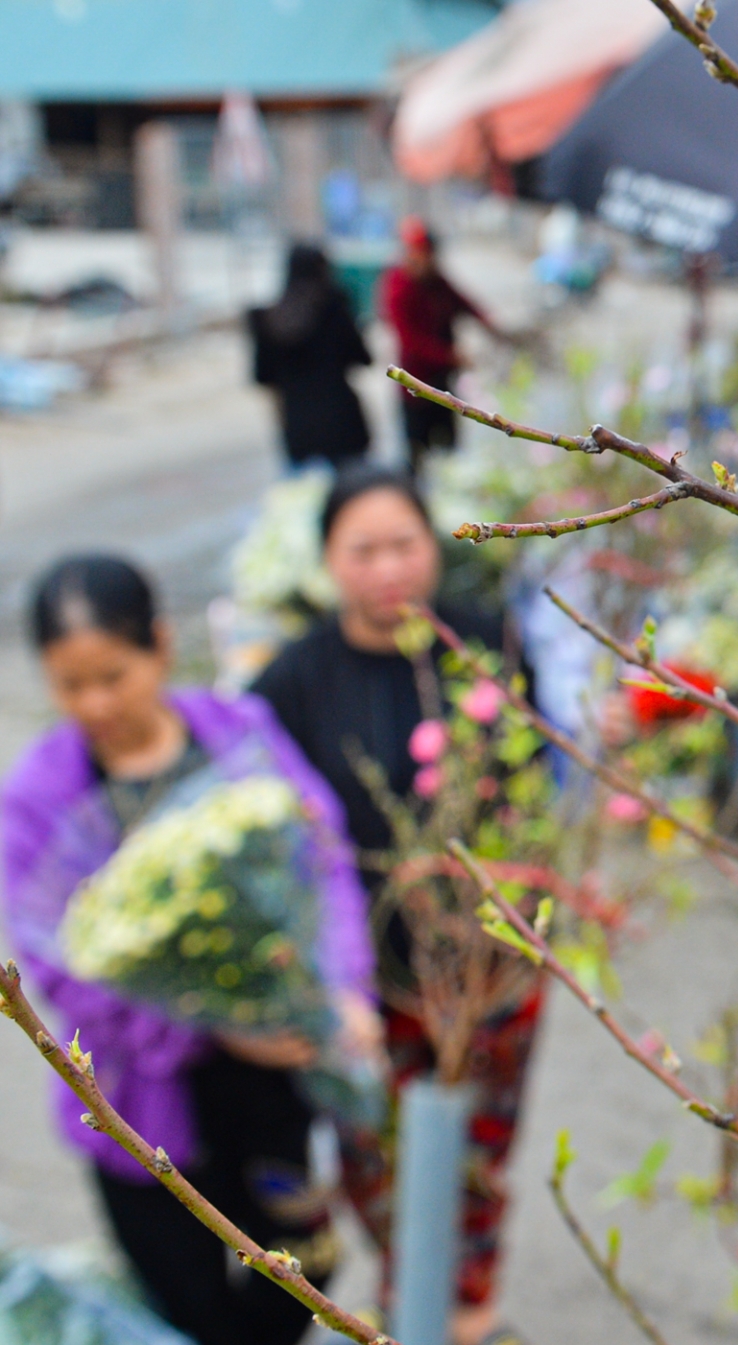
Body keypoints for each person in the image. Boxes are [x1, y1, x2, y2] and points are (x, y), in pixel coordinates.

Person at [1, 556, 378, 1345]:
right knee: (191, 1304)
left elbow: (323, 857)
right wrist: (211, 1024)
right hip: (141, 1104)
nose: (96, 702)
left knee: (305, 1271)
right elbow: (61, 971)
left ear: (162, 646)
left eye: (114, 674)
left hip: (276, 1077)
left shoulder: (234, 733)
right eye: (71, 685)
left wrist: (343, 986)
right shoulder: (37, 795)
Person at [252, 465, 535, 1345]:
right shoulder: (290, 684)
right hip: (363, 989)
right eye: (363, 549)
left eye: (404, 544)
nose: (389, 569)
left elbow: (531, 791)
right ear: (327, 561)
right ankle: (416, 1305)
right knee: (379, 1163)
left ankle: (466, 1317)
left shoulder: (485, 644)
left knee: (479, 1161)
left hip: (487, 972)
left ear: (433, 545)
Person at [381, 216, 499, 477]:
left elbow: (461, 301)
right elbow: (409, 340)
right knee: (416, 454)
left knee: (449, 450)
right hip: (416, 385)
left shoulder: (435, 281)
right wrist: (451, 356)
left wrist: (489, 324)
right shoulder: (398, 286)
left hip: (444, 381)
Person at [249, 242, 373, 471]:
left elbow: (262, 376)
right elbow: (362, 357)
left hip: (297, 428)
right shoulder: (334, 306)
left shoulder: (267, 318)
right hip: (342, 424)